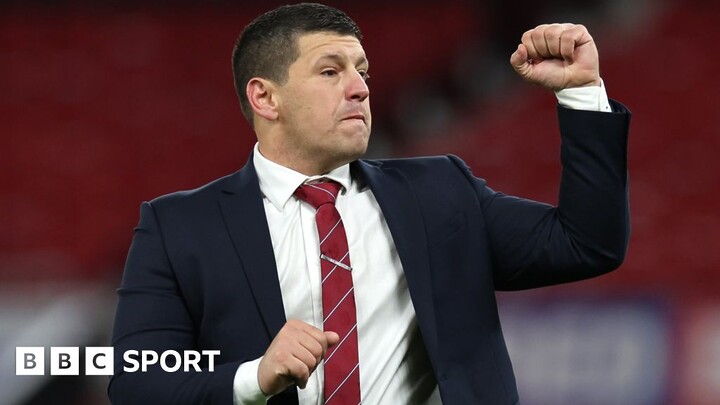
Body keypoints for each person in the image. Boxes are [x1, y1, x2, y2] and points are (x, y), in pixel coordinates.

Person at [108, 3, 630, 405]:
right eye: (331, 72)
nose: (359, 88)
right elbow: (137, 381)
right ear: (265, 98)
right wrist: (254, 377)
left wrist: (582, 93)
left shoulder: (440, 191)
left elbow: (587, 243)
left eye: (363, 72)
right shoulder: (179, 226)